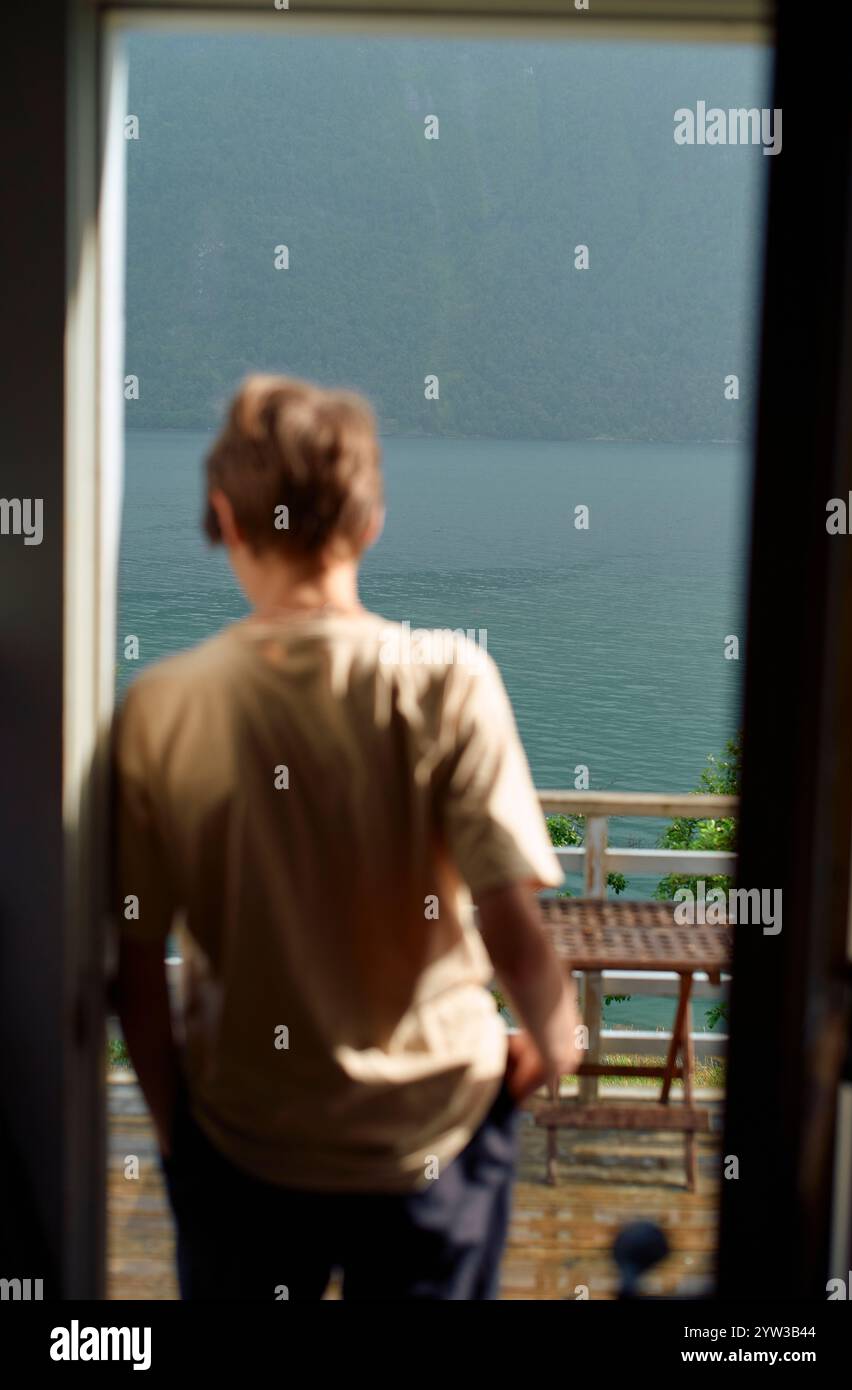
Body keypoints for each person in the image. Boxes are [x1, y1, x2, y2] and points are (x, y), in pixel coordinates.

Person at [114, 375, 581, 1301]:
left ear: (225, 520)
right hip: (432, 1137)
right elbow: (510, 924)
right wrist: (554, 1043)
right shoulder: (448, 678)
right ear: (369, 524)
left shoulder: (165, 704)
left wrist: (180, 1135)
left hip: (245, 1144)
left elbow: (133, 962)